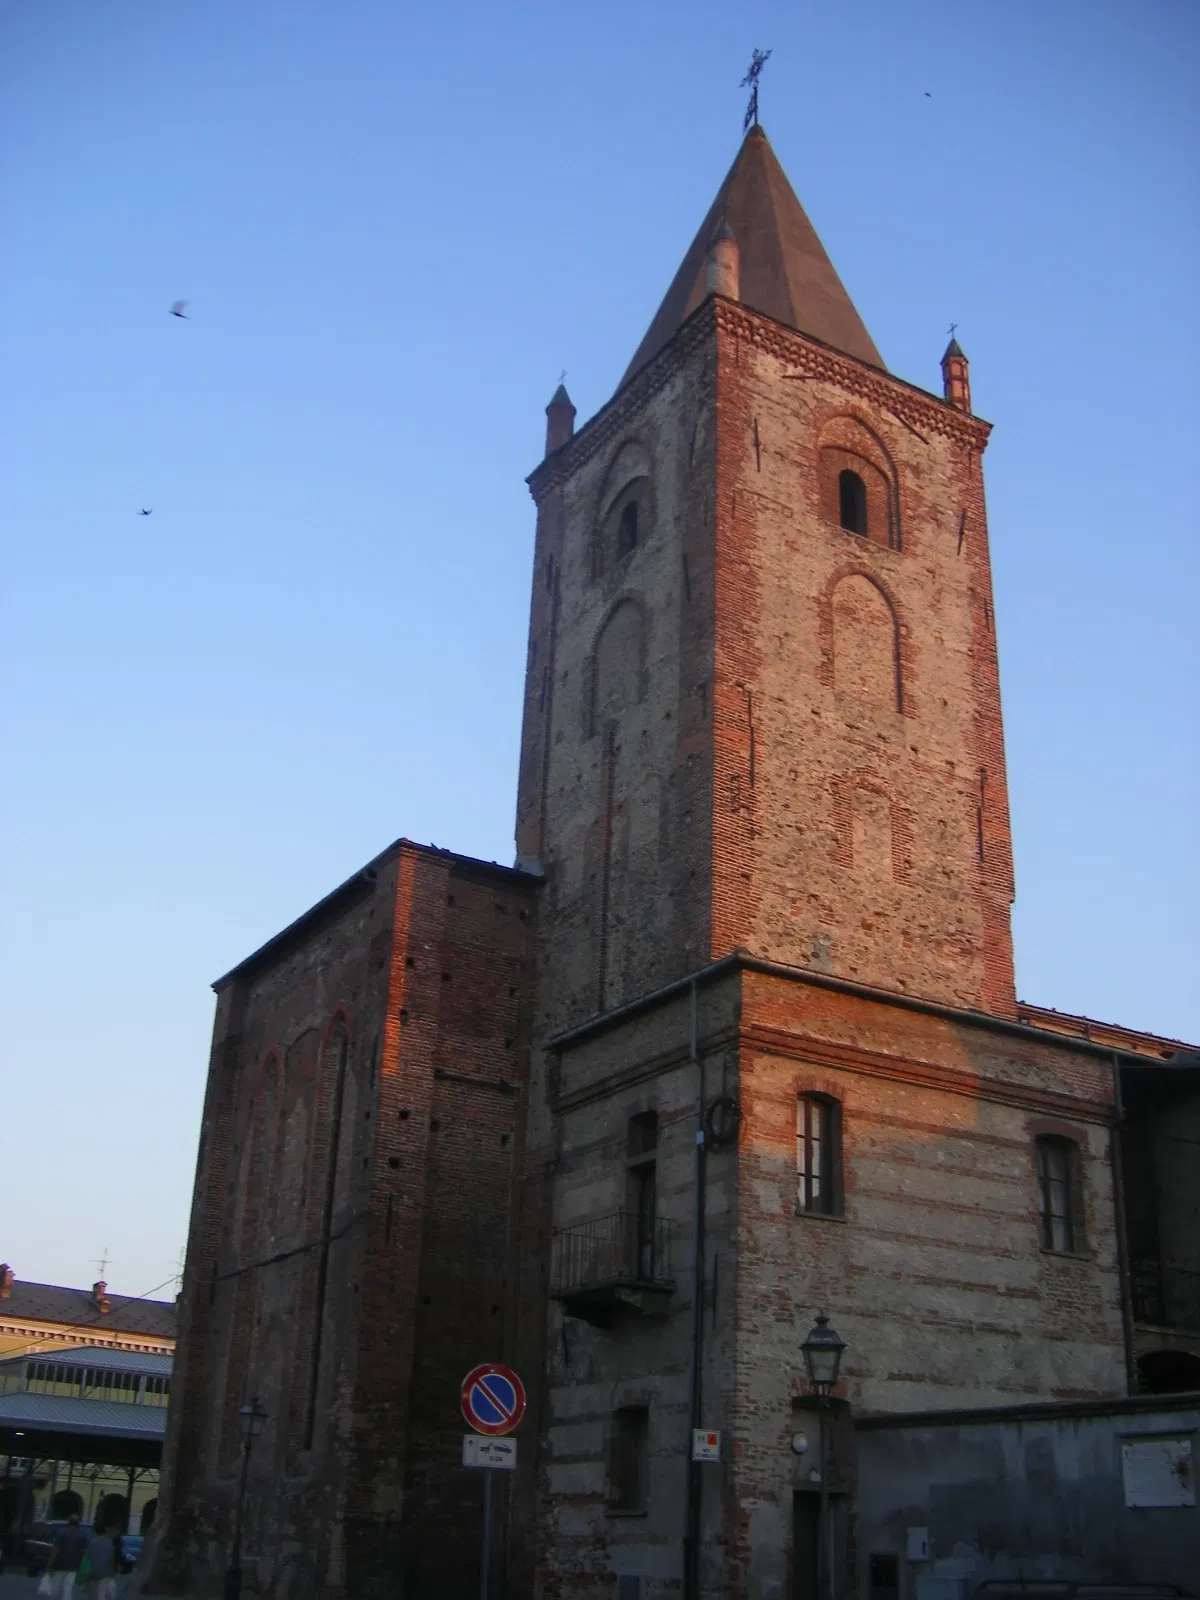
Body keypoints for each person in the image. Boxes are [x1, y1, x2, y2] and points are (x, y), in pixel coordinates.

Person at [41, 1510, 89, 1597]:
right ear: (78, 1523)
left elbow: (55, 1550)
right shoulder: (83, 1535)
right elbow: (84, 1552)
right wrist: (80, 1563)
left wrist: (49, 1565)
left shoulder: (62, 1532)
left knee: (55, 1588)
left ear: (69, 1522)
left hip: (60, 1565)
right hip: (73, 1566)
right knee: (67, 1590)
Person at [79, 1523, 117, 1600]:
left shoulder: (92, 1541)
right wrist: (112, 1571)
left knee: (90, 1592)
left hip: (93, 1571)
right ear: (105, 1531)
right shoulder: (109, 1542)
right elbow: (111, 1558)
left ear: (95, 1531)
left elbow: (88, 1556)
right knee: (101, 1591)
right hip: (105, 1570)